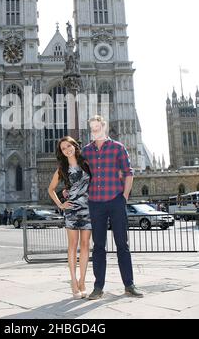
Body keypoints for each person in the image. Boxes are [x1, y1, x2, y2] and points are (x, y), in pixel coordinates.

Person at [82, 115, 143, 299]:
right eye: (92, 128)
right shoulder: (86, 151)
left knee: (122, 245)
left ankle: (129, 285)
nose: (95, 130)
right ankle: (98, 287)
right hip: (95, 203)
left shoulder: (118, 147)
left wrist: (124, 197)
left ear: (104, 127)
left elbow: (128, 173)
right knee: (99, 246)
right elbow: (80, 175)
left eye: (97, 127)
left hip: (115, 200)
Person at [48, 136, 92, 299]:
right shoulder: (62, 169)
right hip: (72, 210)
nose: (67, 149)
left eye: (69, 146)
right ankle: (73, 282)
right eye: (63, 148)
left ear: (74, 146)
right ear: (61, 152)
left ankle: (82, 281)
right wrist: (60, 204)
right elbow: (51, 189)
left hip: (88, 209)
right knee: (73, 246)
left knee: (86, 245)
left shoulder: (86, 163)